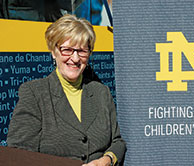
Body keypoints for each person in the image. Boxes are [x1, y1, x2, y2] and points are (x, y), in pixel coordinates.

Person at [7, 14, 126, 166]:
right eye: (67, 50)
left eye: (82, 51)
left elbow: (117, 142)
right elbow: (19, 153)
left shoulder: (101, 92)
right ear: (53, 51)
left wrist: (106, 160)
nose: (75, 58)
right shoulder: (34, 93)